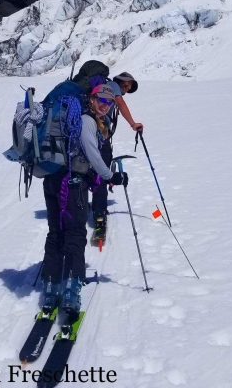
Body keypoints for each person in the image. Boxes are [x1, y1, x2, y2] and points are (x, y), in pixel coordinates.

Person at [40, 84, 129, 317]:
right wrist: (111, 176)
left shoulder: (71, 116)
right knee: (76, 233)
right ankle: (71, 288)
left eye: (109, 102)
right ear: (91, 98)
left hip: (52, 180)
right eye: (101, 99)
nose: (104, 105)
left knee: (55, 232)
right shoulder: (87, 121)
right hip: (73, 185)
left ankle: (50, 287)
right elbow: (91, 151)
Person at [91, 72, 142, 239]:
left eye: (129, 87)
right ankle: (99, 215)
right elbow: (119, 102)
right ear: (121, 81)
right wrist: (133, 124)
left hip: (91, 130)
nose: (127, 89)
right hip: (98, 132)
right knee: (102, 172)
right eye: (126, 85)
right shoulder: (112, 86)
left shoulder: (103, 87)